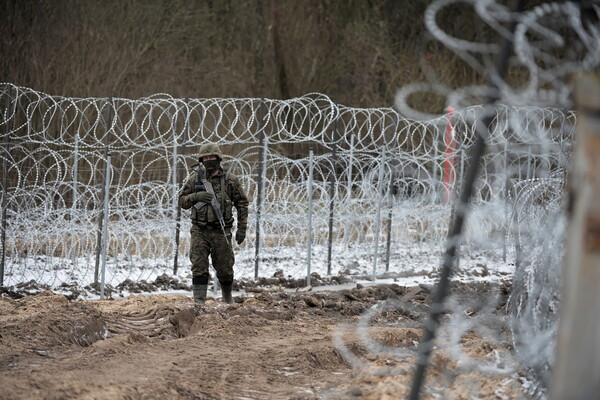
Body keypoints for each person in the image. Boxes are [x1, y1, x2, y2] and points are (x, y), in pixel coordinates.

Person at [178, 143, 249, 304]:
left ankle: (227, 298)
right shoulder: (194, 179)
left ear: (218, 158)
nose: (209, 160)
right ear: (201, 160)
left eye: (212, 157)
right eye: (206, 158)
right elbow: (182, 201)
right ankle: (199, 302)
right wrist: (196, 197)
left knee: (225, 267)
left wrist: (242, 227)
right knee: (198, 266)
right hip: (199, 230)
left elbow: (242, 203)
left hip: (221, 230)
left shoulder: (230, 180)